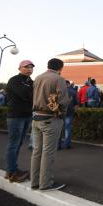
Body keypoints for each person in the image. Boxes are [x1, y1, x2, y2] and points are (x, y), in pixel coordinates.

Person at [31, 58, 69, 191]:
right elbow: (63, 100)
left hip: (36, 117)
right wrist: (62, 112)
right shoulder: (58, 79)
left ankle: (35, 182)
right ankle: (45, 183)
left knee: (37, 151)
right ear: (60, 68)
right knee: (48, 152)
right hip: (50, 118)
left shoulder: (37, 77)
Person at [4, 60, 35, 183]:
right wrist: (30, 93)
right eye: (26, 67)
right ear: (19, 68)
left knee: (19, 143)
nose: (29, 69)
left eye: (31, 67)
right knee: (13, 144)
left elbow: (33, 96)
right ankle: (11, 172)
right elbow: (25, 95)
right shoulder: (14, 80)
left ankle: (12, 170)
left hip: (27, 116)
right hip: (16, 116)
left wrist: (30, 93)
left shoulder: (30, 82)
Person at [62, 80, 79, 149]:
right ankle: (67, 144)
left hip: (60, 112)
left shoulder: (59, 90)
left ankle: (58, 145)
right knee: (67, 128)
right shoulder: (73, 91)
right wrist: (75, 112)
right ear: (69, 84)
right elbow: (76, 104)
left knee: (59, 128)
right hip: (69, 112)